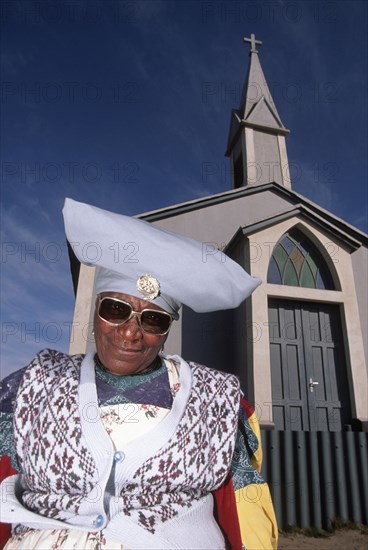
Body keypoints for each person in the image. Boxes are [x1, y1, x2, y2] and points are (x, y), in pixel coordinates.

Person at [0, 198, 278, 549]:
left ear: (166, 330)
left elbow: (242, 508)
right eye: (116, 309)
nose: (130, 333)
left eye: (153, 319)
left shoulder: (216, 398)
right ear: (96, 309)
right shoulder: (34, 384)